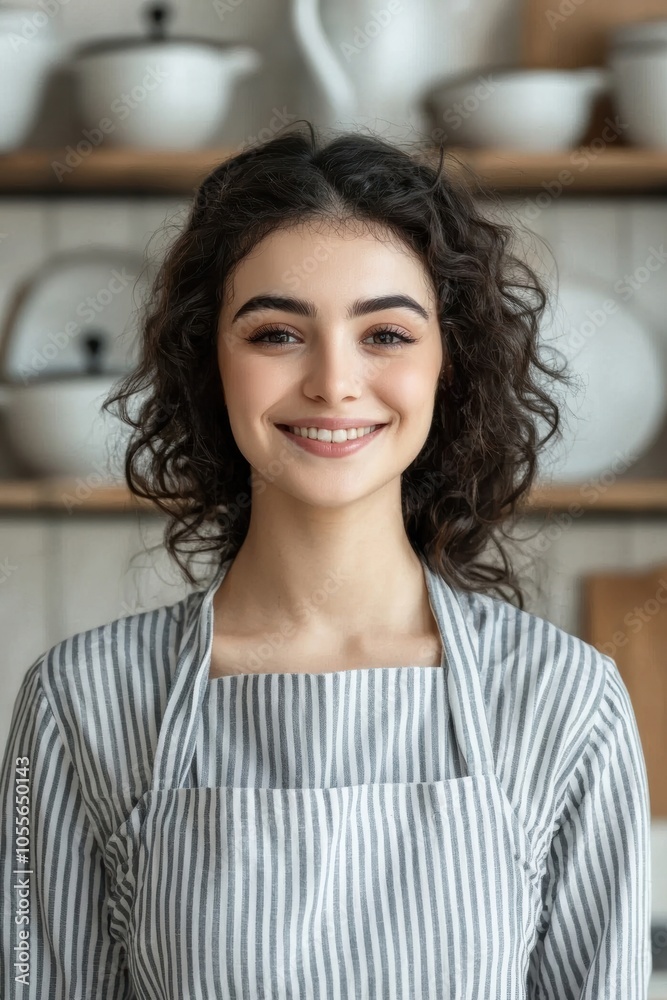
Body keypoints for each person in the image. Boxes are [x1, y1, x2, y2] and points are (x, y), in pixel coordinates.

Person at [0, 121, 651, 998]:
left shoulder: (567, 704)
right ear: (208, 363)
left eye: (386, 334)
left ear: (446, 368)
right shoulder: (78, 706)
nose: (334, 382)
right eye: (276, 333)